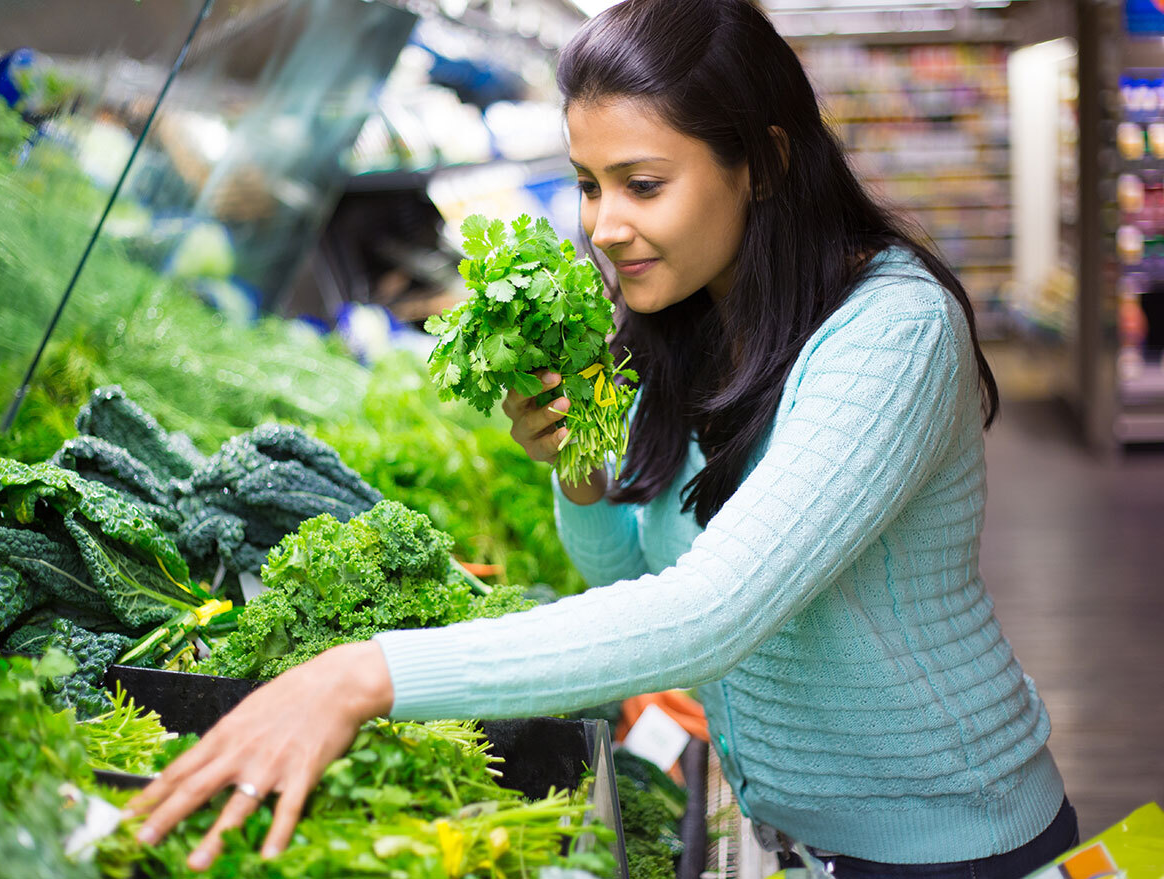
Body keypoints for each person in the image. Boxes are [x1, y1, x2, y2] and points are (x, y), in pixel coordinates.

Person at [127, 0, 1079, 875]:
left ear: (767, 163)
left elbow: (711, 614)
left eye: (644, 183)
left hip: (954, 845)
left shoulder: (893, 332)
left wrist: (367, 672)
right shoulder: (690, 317)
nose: (606, 225)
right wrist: (579, 473)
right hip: (801, 840)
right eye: (589, 184)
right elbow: (630, 584)